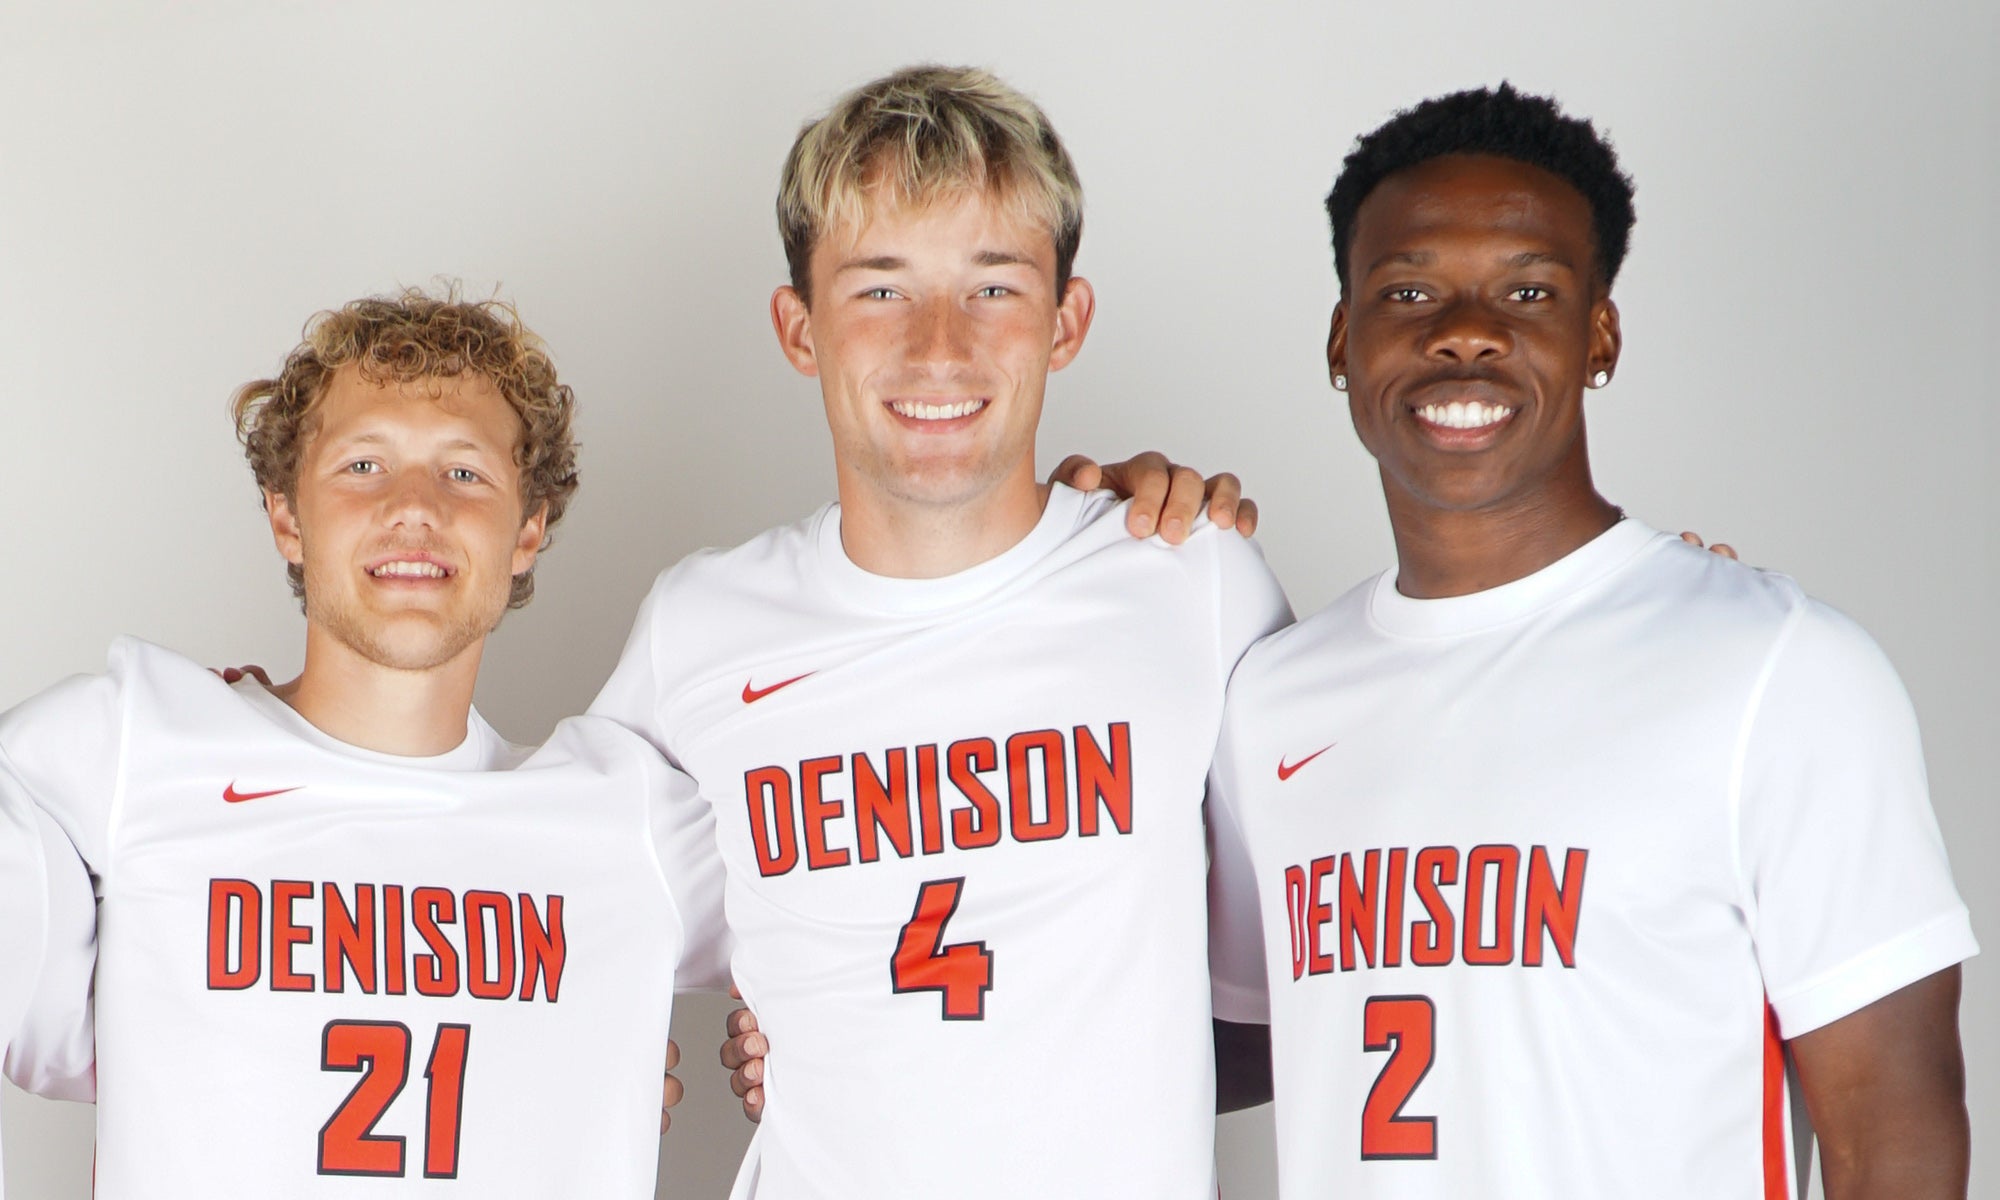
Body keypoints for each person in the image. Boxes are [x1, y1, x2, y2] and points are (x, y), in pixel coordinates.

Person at [1207, 84, 1976, 1198]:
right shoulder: (1268, 697)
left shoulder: (1776, 669)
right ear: (1342, 339)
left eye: (1526, 289)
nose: (1462, 331)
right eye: (1407, 288)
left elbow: (1891, 1127)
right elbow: (1209, 1043)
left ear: (1596, 334)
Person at [591, 64, 1291, 1198]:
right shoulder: (699, 628)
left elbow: (1330, 956)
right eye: (878, 289)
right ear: (797, 326)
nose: (937, 346)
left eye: (992, 287)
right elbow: (525, 885)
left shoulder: (1188, 581)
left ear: (1065, 323)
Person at [0, 289, 725, 1196]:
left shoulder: (623, 817)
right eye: (363, 464)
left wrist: (805, 1046)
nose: (414, 507)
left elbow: (876, 920)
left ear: (528, 530)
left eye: (464, 473)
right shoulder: (132, 746)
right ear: (287, 519)